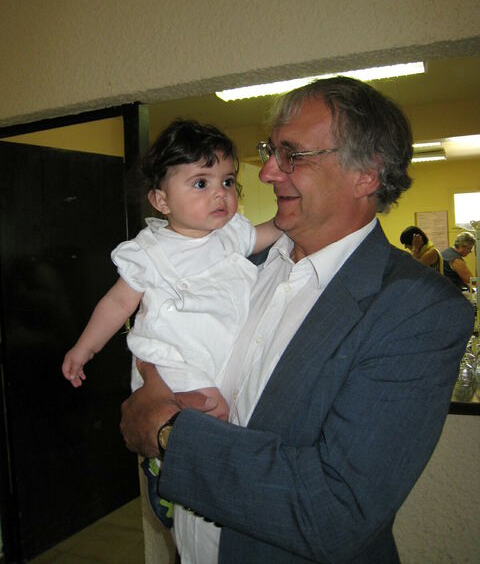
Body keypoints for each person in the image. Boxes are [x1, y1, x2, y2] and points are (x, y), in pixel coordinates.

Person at [120, 77, 474, 564]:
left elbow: (335, 510)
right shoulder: (232, 264)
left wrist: (168, 434)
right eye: (272, 151)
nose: (267, 172)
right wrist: (152, 378)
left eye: (292, 155)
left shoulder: (418, 309)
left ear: (366, 175)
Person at [62, 119, 281, 524]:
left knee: (229, 416)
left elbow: (271, 232)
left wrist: (294, 220)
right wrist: (85, 348)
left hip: (217, 356)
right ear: (161, 201)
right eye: (201, 183)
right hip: (174, 361)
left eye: (227, 181)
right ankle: (164, 472)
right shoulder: (149, 252)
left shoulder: (231, 235)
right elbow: (117, 303)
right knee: (208, 417)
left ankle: (182, 474)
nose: (220, 193)